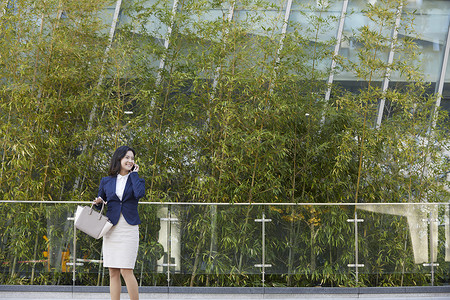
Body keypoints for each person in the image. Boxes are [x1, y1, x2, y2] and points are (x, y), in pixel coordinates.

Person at [93, 145, 145, 300]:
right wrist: (99, 201)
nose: (130, 160)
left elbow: (139, 194)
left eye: (132, 158)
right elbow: (101, 201)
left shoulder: (137, 180)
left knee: (126, 270)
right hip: (111, 228)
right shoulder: (106, 181)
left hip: (129, 228)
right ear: (119, 159)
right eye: (127, 157)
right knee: (113, 271)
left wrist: (134, 174)